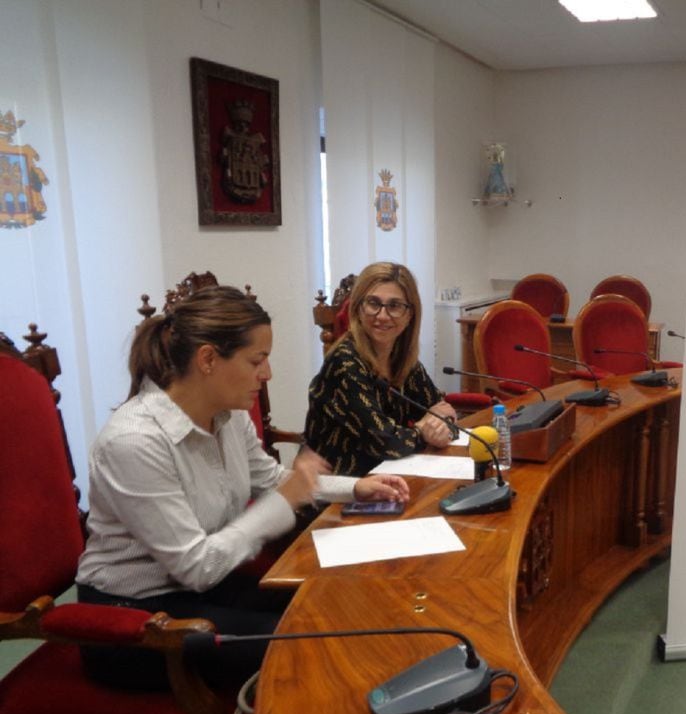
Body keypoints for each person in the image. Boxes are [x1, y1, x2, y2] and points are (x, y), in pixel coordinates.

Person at [75, 285, 409, 690]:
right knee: (310, 646)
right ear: (208, 360)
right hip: (133, 618)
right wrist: (280, 504)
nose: (266, 375)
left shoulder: (227, 417)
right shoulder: (134, 441)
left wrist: (357, 488)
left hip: (204, 587)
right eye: (257, 360)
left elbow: (273, 479)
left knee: (336, 606)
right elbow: (197, 566)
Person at [305, 262, 456, 475]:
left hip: (392, 477)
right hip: (340, 491)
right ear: (358, 308)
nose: (383, 316)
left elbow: (441, 410)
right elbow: (383, 441)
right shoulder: (344, 361)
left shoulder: (403, 359)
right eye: (373, 303)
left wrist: (443, 424)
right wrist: (423, 430)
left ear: (409, 314)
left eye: (394, 306)